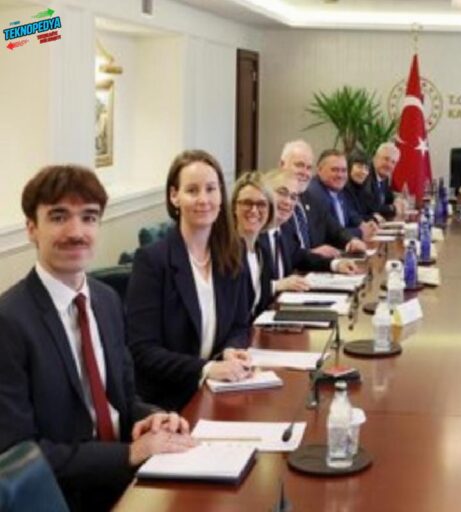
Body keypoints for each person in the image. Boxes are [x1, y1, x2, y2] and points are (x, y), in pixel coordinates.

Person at [0, 165, 195, 511]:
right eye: (59, 217)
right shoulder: (9, 321)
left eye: (89, 217)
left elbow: (122, 399)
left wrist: (152, 417)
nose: (77, 232)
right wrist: (128, 454)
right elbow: (19, 454)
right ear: (31, 228)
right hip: (64, 498)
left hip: (129, 481)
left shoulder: (106, 300)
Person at [126, 150, 253, 412]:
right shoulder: (152, 261)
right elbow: (143, 350)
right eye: (192, 190)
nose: (203, 199)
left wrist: (231, 349)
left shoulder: (234, 251)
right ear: (174, 196)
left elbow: (240, 324)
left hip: (219, 391)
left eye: (211, 189)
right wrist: (206, 368)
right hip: (168, 403)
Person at [259, 169, 358, 295]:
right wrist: (276, 285)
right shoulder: (253, 234)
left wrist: (336, 264)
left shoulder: (284, 230)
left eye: (293, 197)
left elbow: (299, 257)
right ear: (264, 194)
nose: (288, 202)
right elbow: (244, 286)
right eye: (282, 193)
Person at [279, 140, 367, 257]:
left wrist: (351, 240)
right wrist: (311, 253)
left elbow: (333, 229)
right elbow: (285, 250)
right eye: (299, 165)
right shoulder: (275, 201)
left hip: (314, 265)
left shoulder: (310, 197)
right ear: (282, 165)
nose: (305, 172)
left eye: (309, 168)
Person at [305, 149, 378, 240]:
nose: (340, 175)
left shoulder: (337, 189)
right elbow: (330, 234)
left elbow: (349, 213)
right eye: (334, 170)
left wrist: (362, 224)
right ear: (319, 170)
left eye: (343, 170)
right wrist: (360, 232)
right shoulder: (315, 194)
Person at [231, 171, 275, 320]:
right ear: (234, 207)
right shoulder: (226, 253)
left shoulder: (262, 252)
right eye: (247, 203)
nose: (254, 210)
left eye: (261, 204)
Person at [367, 142, 405, 220]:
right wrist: (393, 208)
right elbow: (371, 207)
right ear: (375, 158)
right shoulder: (366, 175)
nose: (389, 165)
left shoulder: (384, 176)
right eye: (386, 159)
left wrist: (397, 200)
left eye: (393, 162)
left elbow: (389, 198)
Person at [344, 150, 378, 222]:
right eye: (359, 167)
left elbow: (370, 210)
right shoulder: (343, 190)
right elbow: (351, 217)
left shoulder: (363, 190)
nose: (363, 172)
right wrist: (373, 218)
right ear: (349, 167)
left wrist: (374, 216)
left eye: (366, 168)